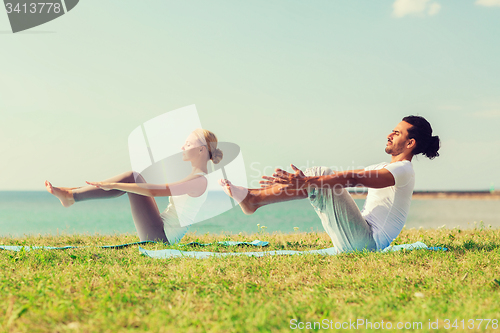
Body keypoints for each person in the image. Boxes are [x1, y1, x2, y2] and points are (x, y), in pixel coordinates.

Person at [220, 116, 440, 253]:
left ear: (410, 143)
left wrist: (308, 181)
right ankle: (253, 197)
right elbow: (344, 178)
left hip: (366, 244)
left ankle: (254, 199)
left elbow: (352, 178)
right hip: (359, 238)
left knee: (321, 175)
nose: (389, 135)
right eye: (392, 130)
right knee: (324, 179)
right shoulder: (389, 166)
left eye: (397, 133)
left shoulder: (402, 171)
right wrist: (307, 183)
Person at [45, 129, 223, 244]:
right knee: (134, 178)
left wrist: (115, 184)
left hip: (161, 237)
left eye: (188, 144)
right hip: (161, 229)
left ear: (201, 150)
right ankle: (72, 194)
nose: (182, 147)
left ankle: (71, 196)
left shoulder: (198, 181)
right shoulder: (196, 177)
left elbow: (155, 191)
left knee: (133, 177)